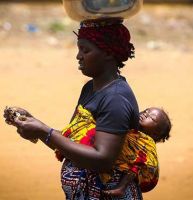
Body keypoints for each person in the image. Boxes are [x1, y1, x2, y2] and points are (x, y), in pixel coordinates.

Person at [4, 17, 142, 199]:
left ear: (108, 53)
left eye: (85, 50)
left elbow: (103, 159)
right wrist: (36, 126)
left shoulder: (115, 98)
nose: (78, 56)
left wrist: (44, 132)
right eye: (79, 49)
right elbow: (73, 142)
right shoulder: (90, 88)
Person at [103, 107, 171, 197]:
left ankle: (121, 188)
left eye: (152, 118)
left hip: (145, 174)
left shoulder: (148, 143)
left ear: (155, 134)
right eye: (146, 111)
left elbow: (148, 162)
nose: (145, 114)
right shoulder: (132, 130)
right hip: (126, 166)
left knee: (138, 163)